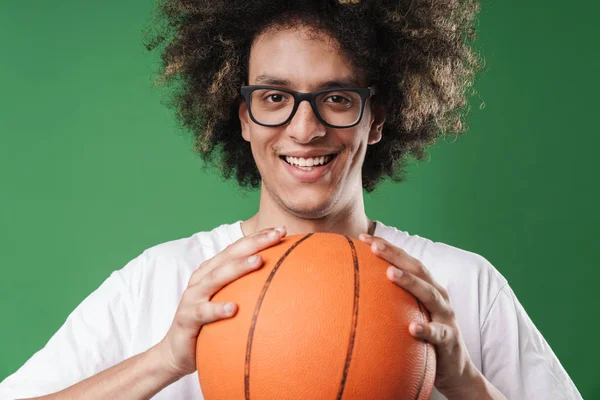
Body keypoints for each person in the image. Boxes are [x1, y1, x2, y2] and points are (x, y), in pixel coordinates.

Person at [0, 0, 583, 399]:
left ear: (375, 118)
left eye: (336, 98)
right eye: (275, 97)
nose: (304, 130)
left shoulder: (462, 286)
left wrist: (463, 382)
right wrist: (165, 361)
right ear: (244, 119)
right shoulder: (164, 280)